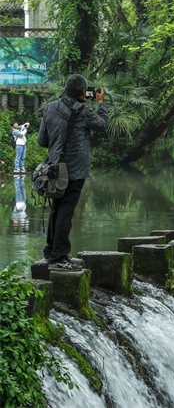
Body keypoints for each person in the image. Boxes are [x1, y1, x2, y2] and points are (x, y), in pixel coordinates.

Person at [39, 75, 109, 271]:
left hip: (53, 170)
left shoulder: (50, 107)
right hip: (75, 170)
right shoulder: (84, 110)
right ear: (82, 93)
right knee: (65, 212)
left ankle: (51, 251)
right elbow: (103, 124)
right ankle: (58, 258)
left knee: (56, 209)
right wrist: (101, 103)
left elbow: (41, 140)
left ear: (65, 89)